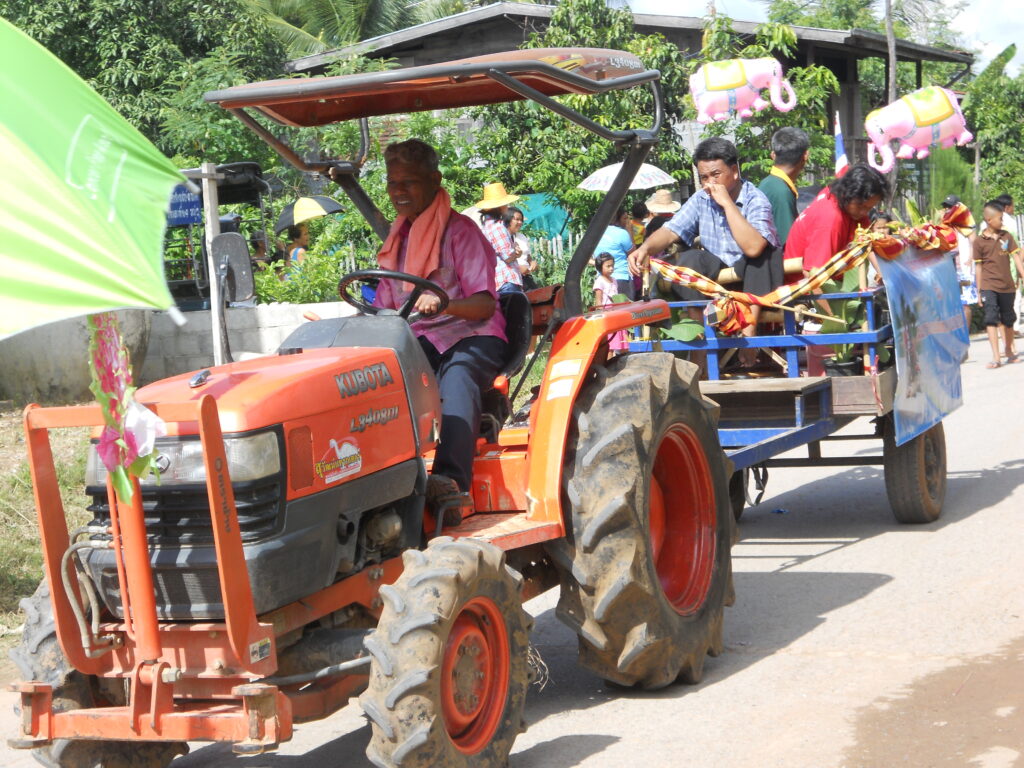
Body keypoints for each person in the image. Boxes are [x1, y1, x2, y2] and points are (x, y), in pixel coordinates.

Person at [333, 139, 508, 509]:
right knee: (373, 378)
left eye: (409, 182)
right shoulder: (399, 240)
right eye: (393, 183)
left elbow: (483, 304)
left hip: (473, 335)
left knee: (456, 375)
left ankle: (451, 484)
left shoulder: (462, 232)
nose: (399, 192)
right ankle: (376, 478)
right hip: (421, 337)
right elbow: (384, 308)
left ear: (434, 180)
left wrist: (445, 303)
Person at [629, 137, 781, 366]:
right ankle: (698, 340)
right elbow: (671, 230)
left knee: (761, 255)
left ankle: (749, 337)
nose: (709, 183)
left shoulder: (755, 199)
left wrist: (727, 204)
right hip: (716, 280)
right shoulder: (701, 199)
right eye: (704, 177)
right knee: (689, 258)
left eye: (716, 174)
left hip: (754, 278)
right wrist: (645, 248)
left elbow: (753, 247)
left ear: (734, 171)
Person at [786, 163, 887, 277]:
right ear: (847, 195)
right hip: (806, 285)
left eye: (869, 208)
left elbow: (867, 243)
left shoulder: (845, 201)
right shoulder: (830, 219)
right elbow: (814, 274)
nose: (864, 213)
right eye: (861, 206)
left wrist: (883, 274)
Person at [974, 199, 1024, 368]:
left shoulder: (1007, 236)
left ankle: (1008, 351)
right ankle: (996, 357)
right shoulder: (979, 242)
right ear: (989, 220)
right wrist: (979, 290)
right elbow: (979, 267)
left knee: (1008, 319)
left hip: (1007, 286)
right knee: (991, 319)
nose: (1002, 222)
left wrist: (1022, 275)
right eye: (1000, 219)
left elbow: (1016, 257)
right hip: (989, 286)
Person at [759, 127, 809, 248]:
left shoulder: (768, 183)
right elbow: (788, 244)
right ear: (805, 156)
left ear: (773, 155)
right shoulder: (781, 192)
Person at [941, 195, 978, 336]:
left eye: (950, 207)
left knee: (965, 302)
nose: (947, 209)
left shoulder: (966, 225)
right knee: (950, 301)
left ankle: (965, 333)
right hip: (949, 270)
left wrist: (971, 259)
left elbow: (974, 242)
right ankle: (954, 333)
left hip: (964, 270)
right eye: (945, 207)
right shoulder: (944, 226)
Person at [477, 182, 523, 293]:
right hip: (506, 279)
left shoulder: (486, 226)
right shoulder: (497, 227)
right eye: (505, 204)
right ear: (500, 206)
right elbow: (507, 257)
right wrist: (517, 253)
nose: (507, 207)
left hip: (497, 281)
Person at [596, 206, 637, 299]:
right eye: (625, 218)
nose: (627, 221)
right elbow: (633, 254)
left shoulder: (596, 233)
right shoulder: (621, 233)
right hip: (621, 278)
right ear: (617, 218)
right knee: (626, 311)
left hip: (601, 280)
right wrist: (630, 231)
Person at [593, 252, 628, 353]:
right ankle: (609, 364)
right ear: (600, 267)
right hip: (607, 315)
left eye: (612, 265)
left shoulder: (614, 280)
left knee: (621, 341)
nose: (611, 268)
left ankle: (622, 360)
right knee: (610, 345)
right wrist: (600, 315)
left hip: (616, 313)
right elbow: (598, 301)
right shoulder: (599, 281)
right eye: (608, 266)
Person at [502, 206, 538, 289]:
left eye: (521, 220)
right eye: (517, 219)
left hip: (527, 278)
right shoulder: (502, 239)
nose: (520, 222)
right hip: (511, 280)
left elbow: (528, 255)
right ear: (508, 220)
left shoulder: (522, 237)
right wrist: (519, 268)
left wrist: (532, 262)